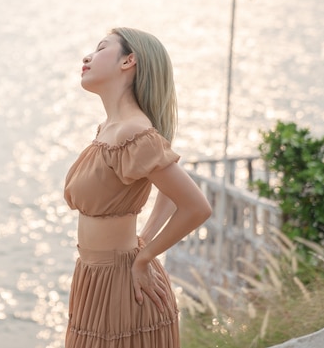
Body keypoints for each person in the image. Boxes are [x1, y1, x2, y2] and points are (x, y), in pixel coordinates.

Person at [63, 27, 212, 348]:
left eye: (101, 48)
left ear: (129, 61)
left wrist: (144, 258)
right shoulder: (111, 129)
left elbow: (196, 207)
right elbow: (169, 197)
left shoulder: (132, 131)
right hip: (94, 277)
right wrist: (144, 239)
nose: (87, 56)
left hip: (124, 284)